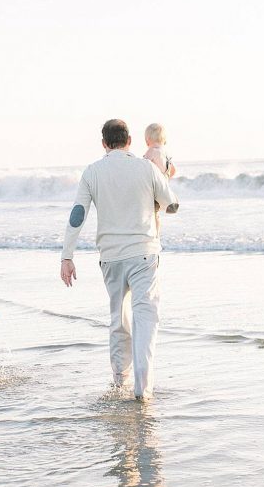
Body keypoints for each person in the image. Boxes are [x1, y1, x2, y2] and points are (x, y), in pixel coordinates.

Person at [60, 119, 179, 399]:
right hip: (144, 254)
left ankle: (119, 380)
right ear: (129, 141)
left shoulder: (92, 172)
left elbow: (78, 214)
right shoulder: (146, 167)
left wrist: (67, 256)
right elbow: (172, 205)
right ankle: (143, 389)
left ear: (104, 144)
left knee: (119, 319)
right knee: (145, 319)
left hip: (111, 258)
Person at [142, 123, 177, 235]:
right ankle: (156, 234)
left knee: (150, 213)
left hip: (152, 190)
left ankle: (151, 234)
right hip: (162, 189)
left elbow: (141, 169)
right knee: (156, 214)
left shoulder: (151, 151)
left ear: (147, 140)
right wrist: (165, 179)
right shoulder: (166, 154)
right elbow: (173, 171)